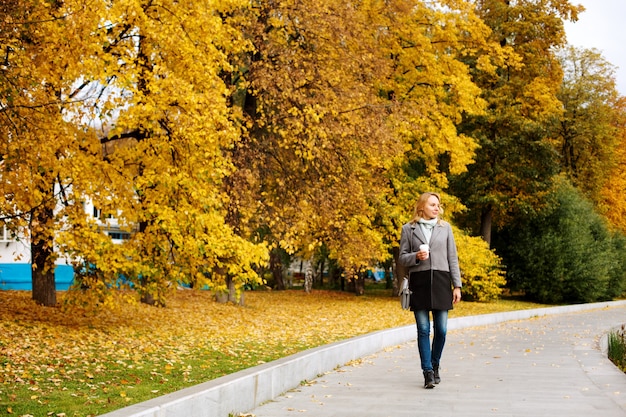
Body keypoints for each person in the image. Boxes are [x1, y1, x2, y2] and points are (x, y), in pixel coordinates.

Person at [399, 192, 462, 389]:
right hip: (420, 283)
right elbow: (402, 258)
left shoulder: (445, 228)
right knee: (423, 330)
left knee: (441, 330)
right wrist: (416, 256)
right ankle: (427, 372)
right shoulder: (408, 229)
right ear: (422, 207)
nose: (437, 208)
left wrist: (457, 285)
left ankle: (435, 365)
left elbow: (452, 257)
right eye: (433, 204)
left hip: (442, 282)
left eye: (438, 205)